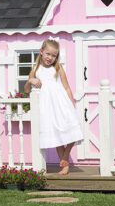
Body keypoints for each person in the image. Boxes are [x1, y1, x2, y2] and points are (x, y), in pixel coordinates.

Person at [24, 38, 83, 175]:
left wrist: (71, 102)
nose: (50, 57)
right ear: (41, 52)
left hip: (63, 104)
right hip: (48, 107)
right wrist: (31, 80)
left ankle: (65, 156)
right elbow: (26, 90)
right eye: (48, 54)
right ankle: (64, 166)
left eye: (54, 55)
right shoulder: (36, 69)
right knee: (57, 136)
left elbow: (67, 87)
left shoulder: (57, 68)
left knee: (73, 131)